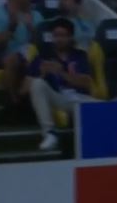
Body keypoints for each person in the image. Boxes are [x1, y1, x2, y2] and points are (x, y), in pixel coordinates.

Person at [26, 17, 94, 150]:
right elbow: (24, 87)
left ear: (71, 37)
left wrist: (62, 73)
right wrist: (42, 74)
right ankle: (49, 133)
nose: (59, 39)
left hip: (78, 98)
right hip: (57, 97)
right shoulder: (42, 57)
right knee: (37, 83)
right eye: (56, 35)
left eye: (63, 36)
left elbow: (87, 83)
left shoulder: (80, 55)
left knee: (108, 108)